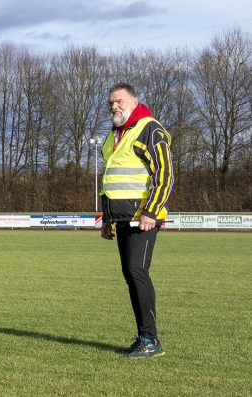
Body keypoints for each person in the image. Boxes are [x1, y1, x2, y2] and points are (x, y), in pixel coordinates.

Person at [100, 83, 173, 359]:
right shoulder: (116, 133)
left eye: (119, 101)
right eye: (110, 103)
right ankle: (143, 337)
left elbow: (164, 175)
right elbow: (111, 176)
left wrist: (151, 212)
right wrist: (107, 218)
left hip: (143, 217)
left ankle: (151, 340)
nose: (113, 106)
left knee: (137, 272)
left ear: (134, 101)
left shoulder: (149, 128)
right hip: (121, 218)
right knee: (131, 274)